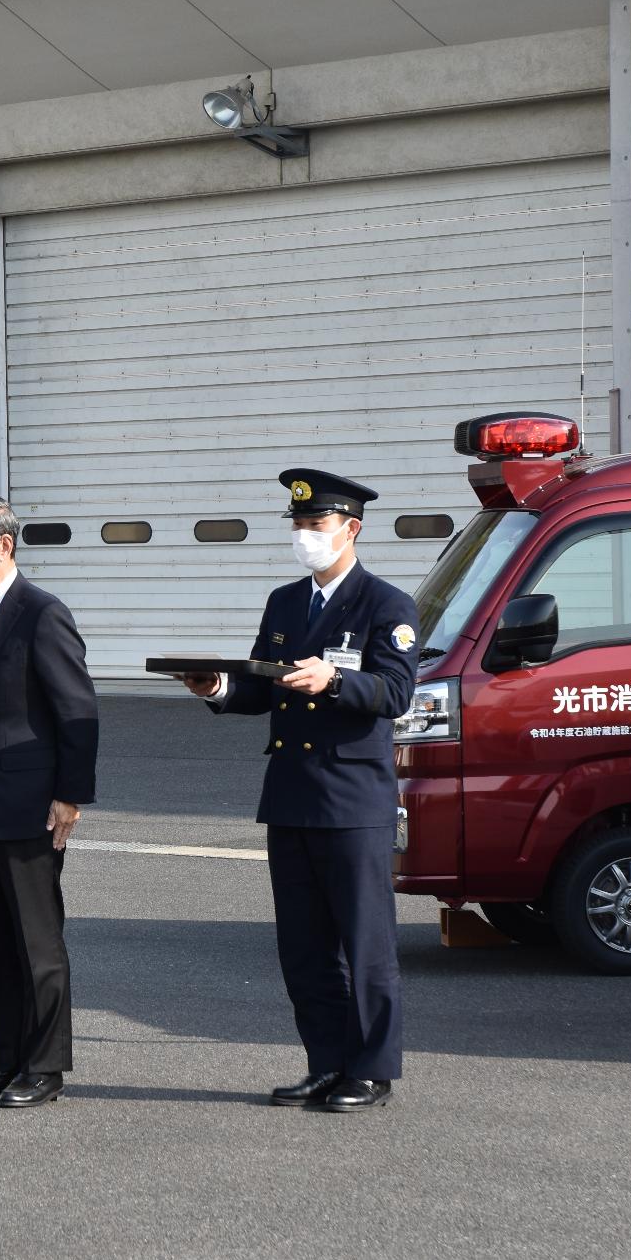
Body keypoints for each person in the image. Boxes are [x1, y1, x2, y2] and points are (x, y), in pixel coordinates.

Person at [180, 470, 416, 1113]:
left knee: (364, 942)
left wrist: (335, 682)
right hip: (291, 794)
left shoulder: (386, 605)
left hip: (351, 798)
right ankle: (325, 1061)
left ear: (351, 530)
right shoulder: (285, 603)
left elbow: (394, 693)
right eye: (299, 526)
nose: (305, 536)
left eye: (316, 526)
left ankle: (370, 1069)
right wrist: (218, 689)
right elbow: (260, 684)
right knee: (304, 945)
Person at [0, 493, 98, 1109]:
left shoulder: (41, 614)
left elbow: (77, 711)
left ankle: (45, 1065)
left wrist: (69, 795)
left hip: (32, 801)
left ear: (3, 544)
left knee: (36, 939)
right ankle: (3, 1059)